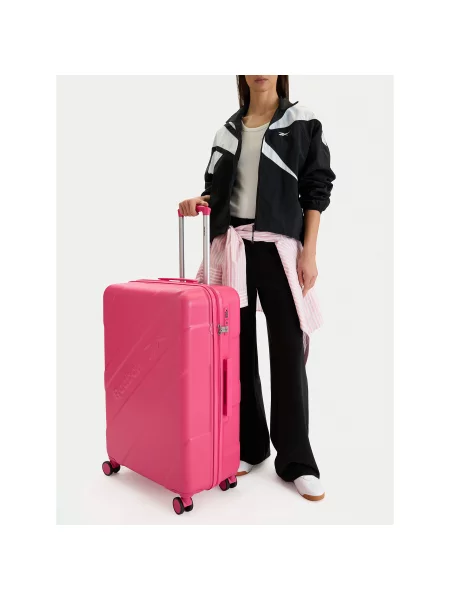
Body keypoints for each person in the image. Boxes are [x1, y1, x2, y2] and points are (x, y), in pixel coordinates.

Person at [178, 75, 335, 501]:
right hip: (233, 250)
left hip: (279, 248)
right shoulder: (226, 131)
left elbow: (316, 189)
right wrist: (198, 202)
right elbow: (216, 193)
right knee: (237, 350)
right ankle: (250, 447)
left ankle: (297, 461)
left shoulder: (301, 121)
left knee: (288, 351)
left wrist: (309, 252)